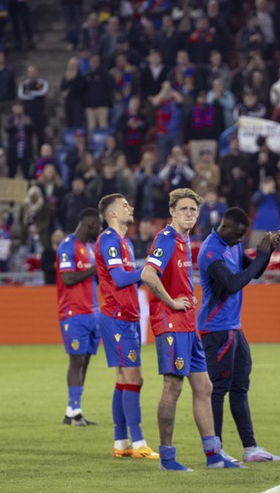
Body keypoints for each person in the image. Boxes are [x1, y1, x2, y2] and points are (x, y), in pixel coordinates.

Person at [141, 188, 242, 471]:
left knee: (204, 386)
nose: (189, 213)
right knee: (172, 387)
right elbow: (148, 274)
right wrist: (171, 300)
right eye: (183, 209)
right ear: (172, 211)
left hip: (188, 325)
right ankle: (167, 458)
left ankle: (213, 454)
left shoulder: (184, 241)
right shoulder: (167, 239)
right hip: (171, 324)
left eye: (193, 210)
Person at [197, 207, 280, 462]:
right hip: (215, 329)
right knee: (218, 389)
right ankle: (215, 451)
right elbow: (233, 283)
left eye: (242, 236)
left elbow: (254, 271)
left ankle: (250, 448)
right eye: (237, 235)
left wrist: (265, 254)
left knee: (240, 387)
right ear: (224, 227)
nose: (240, 240)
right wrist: (262, 255)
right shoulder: (210, 251)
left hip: (233, 327)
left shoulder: (231, 244)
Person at [95, 193, 158, 460]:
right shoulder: (109, 240)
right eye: (124, 205)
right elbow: (120, 278)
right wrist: (146, 272)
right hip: (117, 316)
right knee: (134, 377)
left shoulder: (125, 243)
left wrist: (144, 272)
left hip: (127, 315)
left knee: (123, 378)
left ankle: (121, 443)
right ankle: (139, 441)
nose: (130, 207)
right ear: (111, 214)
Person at [56, 208, 102, 427]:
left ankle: (73, 410)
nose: (100, 230)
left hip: (92, 312)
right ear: (89, 225)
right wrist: (95, 269)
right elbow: (68, 278)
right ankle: (74, 412)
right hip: (73, 312)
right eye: (99, 226)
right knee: (76, 360)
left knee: (85, 361)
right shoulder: (67, 246)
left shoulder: (90, 249)